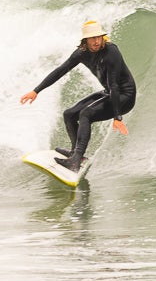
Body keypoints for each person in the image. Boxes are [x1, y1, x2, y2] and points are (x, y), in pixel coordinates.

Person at [20, 20, 136, 171]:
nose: (96, 41)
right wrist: (36, 91)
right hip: (110, 93)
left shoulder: (111, 51)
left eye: (98, 37)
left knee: (86, 114)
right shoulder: (81, 53)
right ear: (85, 40)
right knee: (69, 114)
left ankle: (75, 161)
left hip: (125, 96)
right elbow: (60, 71)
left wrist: (117, 117)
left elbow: (114, 85)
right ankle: (76, 154)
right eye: (92, 38)